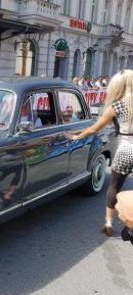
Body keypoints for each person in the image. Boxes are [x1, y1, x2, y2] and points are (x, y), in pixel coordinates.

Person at [66, 69, 133, 237]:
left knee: (114, 186)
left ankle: (109, 223)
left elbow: (95, 129)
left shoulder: (117, 105)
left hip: (126, 148)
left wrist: (77, 136)